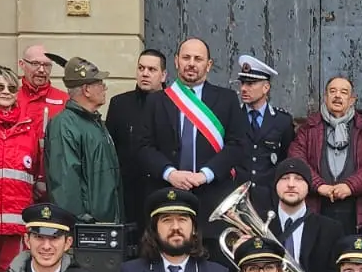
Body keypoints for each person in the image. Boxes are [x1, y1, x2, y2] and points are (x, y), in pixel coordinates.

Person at [133, 36, 247, 223]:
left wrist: (205, 175)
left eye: (198, 59)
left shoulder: (227, 99)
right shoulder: (156, 101)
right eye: (186, 58)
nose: (191, 63)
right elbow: (143, 146)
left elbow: (237, 145)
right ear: (176, 61)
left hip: (213, 197)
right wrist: (170, 173)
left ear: (208, 65)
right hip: (166, 195)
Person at [287, 74, 362, 235]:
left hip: (355, 211)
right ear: (325, 97)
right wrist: (319, 185)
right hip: (317, 206)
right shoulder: (308, 129)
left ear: (352, 100)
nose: (337, 96)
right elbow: (296, 159)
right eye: (332, 91)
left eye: (343, 92)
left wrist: (350, 186)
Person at [0, 66, 47, 272]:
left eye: (12, 88)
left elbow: (34, 172)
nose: (6, 91)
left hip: (17, 224)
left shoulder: (28, 129)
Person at [44, 57, 123, 225]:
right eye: (100, 83)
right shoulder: (64, 125)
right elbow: (65, 183)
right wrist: (80, 224)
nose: (105, 88)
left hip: (104, 225)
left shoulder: (95, 124)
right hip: (85, 227)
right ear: (87, 89)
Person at [266, 158, 340, 272]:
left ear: (308, 186)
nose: (291, 184)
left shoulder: (330, 229)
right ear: (275, 185)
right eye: (285, 178)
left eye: (299, 179)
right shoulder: (260, 223)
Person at [106, 49, 166, 224]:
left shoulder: (174, 104)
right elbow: (110, 150)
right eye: (141, 68)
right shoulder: (119, 104)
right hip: (128, 194)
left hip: (163, 190)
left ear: (163, 75)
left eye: (152, 69)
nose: (145, 73)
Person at [234, 55, 295, 211]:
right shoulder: (232, 116)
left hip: (269, 199)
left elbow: (285, 159)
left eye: (250, 84)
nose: (243, 89)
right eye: (242, 83)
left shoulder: (282, 121)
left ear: (266, 87)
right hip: (236, 197)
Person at [18, 44, 68, 117]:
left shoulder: (65, 100)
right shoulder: (11, 98)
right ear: (22, 64)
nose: (41, 70)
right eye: (35, 64)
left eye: (46, 65)